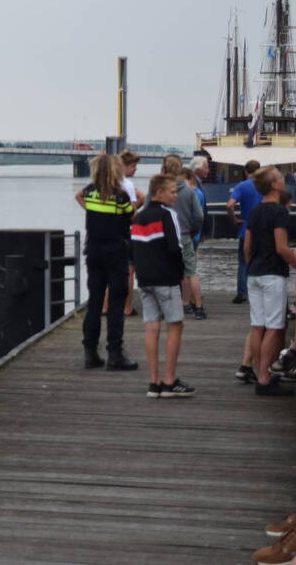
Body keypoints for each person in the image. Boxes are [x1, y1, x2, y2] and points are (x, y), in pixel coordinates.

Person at [132, 173, 193, 397]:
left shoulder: (138, 217)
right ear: (159, 192)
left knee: (152, 327)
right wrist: (181, 276)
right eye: (172, 191)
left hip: (145, 280)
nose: (175, 196)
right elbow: (175, 248)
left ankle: (153, 382)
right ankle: (169, 381)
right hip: (166, 279)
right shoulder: (168, 215)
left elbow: (135, 250)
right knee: (175, 325)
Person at [75, 154, 138, 370]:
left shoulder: (89, 191)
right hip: (115, 251)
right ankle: (115, 354)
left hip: (93, 250)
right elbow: (132, 215)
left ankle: (90, 352)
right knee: (116, 303)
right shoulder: (120, 196)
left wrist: (92, 211)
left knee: (95, 301)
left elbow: (79, 196)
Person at [243, 166, 296, 396]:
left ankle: (258, 371)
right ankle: (264, 378)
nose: (283, 179)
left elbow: (247, 247)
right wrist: (295, 261)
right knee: (274, 328)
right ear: (274, 185)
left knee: (258, 325)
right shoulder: (279, 212)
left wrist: (251, 266)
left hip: (254, 272)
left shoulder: (255, 211)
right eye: (279, 177)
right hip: (272, 274)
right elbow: (282, 248)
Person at [161, 155, 205, 319]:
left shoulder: (159, 190)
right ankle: (198, 308)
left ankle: (166, 307)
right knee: (190, 272)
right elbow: (199, 215)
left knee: (165, 271)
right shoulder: (188, 190)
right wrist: (194, 230)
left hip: (164, 237)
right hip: (185, 235)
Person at [102, 150, 145, 317]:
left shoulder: (107, 182)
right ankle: (127, 307)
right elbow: (132, 210)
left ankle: (105, 306)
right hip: (125, 232)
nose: (135, 169)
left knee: (109, 271)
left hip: (107, 230)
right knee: (129, 270)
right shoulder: (126, 184)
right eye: (133, 166)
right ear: (124, 167)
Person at [227, 159, 263, 304]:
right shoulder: (264, 185)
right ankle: (260, 292)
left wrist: (234, 220)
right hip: (264, 228)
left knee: (243, 261)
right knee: (261, 259)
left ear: (246, 171)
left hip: (246, 227)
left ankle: (242, 293)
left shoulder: (242, 186)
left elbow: (229, 205)